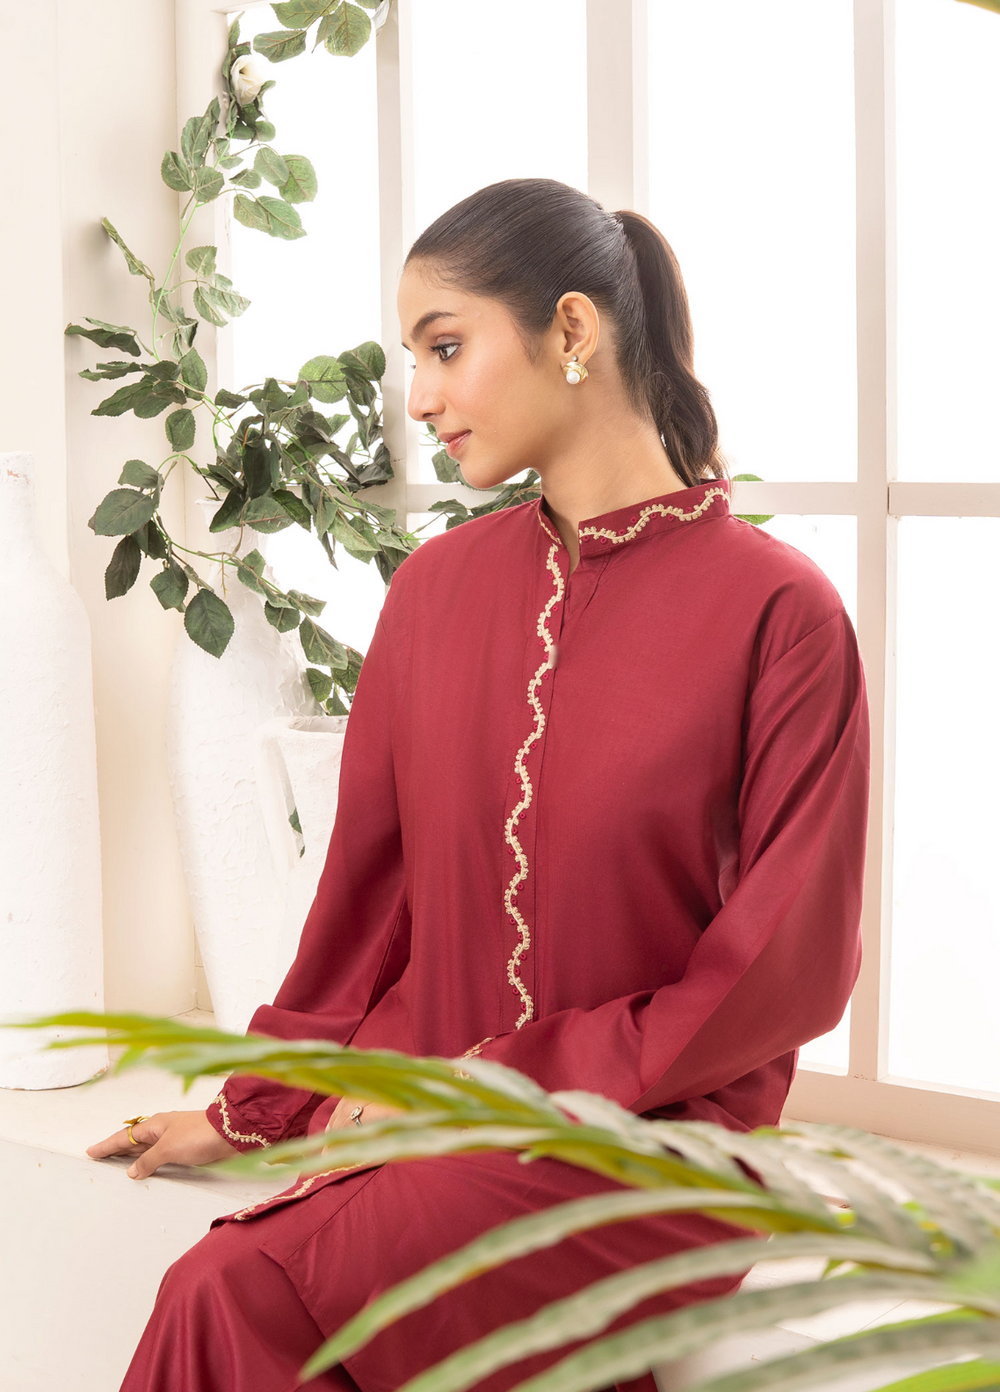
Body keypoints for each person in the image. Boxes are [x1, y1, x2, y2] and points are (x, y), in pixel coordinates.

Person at [88, 177, 871, 1392]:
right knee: (233, 1287)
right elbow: (367, 902)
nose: (421, 398)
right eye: (415, 359)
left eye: (446, 348)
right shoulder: (436, 591)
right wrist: (263, 1105)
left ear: (572, 331)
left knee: (238, 1286)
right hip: (429, 1110)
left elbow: (781, 965)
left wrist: (494, 1085)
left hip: (647, 1142)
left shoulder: (779, 612)